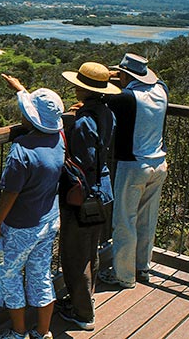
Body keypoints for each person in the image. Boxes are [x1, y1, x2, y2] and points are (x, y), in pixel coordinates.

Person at [0, 74, 65, 339]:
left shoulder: (22, 151)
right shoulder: (59, 140)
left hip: (20, 227)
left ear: (30, 118)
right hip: (49, 220)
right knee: (40, 275)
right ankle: (42, 333)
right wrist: (21, 90)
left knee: (9, 276)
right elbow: (42, 115)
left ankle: (18, 333)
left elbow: (10, 195)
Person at [57, 62, 119, 331]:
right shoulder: (106, 113)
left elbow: (82, 164)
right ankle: (84, 301)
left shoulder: (83, 122)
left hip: (84, 198)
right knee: (89, 250)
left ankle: (83, 314)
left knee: (74, 255)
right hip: (103, 191)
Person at [98, 53, 169, 289]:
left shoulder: (126, 97)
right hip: (159, 163)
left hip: (134, 166)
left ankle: (124, 276)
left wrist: (109, 77)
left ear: (124, 75)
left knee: (124, 221)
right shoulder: (162, 90)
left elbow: (102, 99)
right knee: (147, 219)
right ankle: (142, 267)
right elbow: (149, 83)